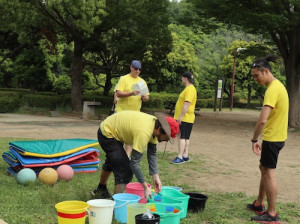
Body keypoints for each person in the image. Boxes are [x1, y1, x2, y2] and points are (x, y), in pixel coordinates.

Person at [92, 111, 179, 199]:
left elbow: (152, 153)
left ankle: (101, 189)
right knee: (125, 171)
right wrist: (145, 187)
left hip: (114, 129)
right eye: (167, 137)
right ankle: (116, 204)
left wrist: (155, 175)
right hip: (107, 133)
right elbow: (134, 163)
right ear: (159, 129)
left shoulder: (155, 126)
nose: (167, 140)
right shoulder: (144, 132)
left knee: (114, 160)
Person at [247, 55, 288, 223]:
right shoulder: (278, 86)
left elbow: (262, 120)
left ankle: (272, 214)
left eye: (257, 75)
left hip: (273, 138)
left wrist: (254, 140)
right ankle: (259, 203)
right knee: (263, 167)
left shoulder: (272, 89)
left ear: (266, 71)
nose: (255, 79)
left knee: (269, 172)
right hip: (276, 136)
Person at [115, 60, 149, 155]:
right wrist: (131, 93)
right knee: (119, 134)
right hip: (122, 111)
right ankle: (117, 153)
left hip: (135, 113)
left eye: (139, 69)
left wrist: (144, 97)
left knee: (130, 135)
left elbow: (146, 97)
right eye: (136, 69)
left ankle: (127, 156)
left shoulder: (142, 82)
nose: (137, 71)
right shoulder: (124, 79)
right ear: (131, 68)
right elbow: (118, 93)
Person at [171, 71, 197, 164]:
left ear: (185, 78)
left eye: (182, 77)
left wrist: (180, 116)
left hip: (185, 117)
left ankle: (180, 156)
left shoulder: (189, 89)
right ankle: (185, 155)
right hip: (188, 117)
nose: (181, 79)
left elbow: (187, 104)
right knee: (186, 137)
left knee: (182, 137)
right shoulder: (190, 88)